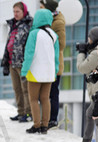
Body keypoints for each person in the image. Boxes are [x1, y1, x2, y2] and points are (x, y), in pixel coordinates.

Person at [21, 8, 59, 134]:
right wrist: (55, 71)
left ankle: (36, 125)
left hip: (35, 72)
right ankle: (45, 126)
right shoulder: (54, 35)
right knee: (45, 98)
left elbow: (29, 54)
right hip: (49, 73)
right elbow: (56, 56)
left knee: (33, 99)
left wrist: (24, 71)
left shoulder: (34, 33)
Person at [1, 2, 33, 123]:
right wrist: (5, 62)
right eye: (14, 12)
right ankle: (20, 112)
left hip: (22, 63)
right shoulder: (13, 25)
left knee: (25, 89)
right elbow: (9, 43)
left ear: (23, 11)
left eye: (17, 12)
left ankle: (28, 112)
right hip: (12, 62)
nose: (15, 14)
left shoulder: (28, 24)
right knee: (17, 89)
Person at [39, 0, 65, 130]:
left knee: (52, 93)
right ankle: (45, 119)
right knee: (44, 93)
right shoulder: (49, 20)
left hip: (54, 64)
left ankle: (52, 119)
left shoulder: (58, 22)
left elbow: (61, 44)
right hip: (45, 63)